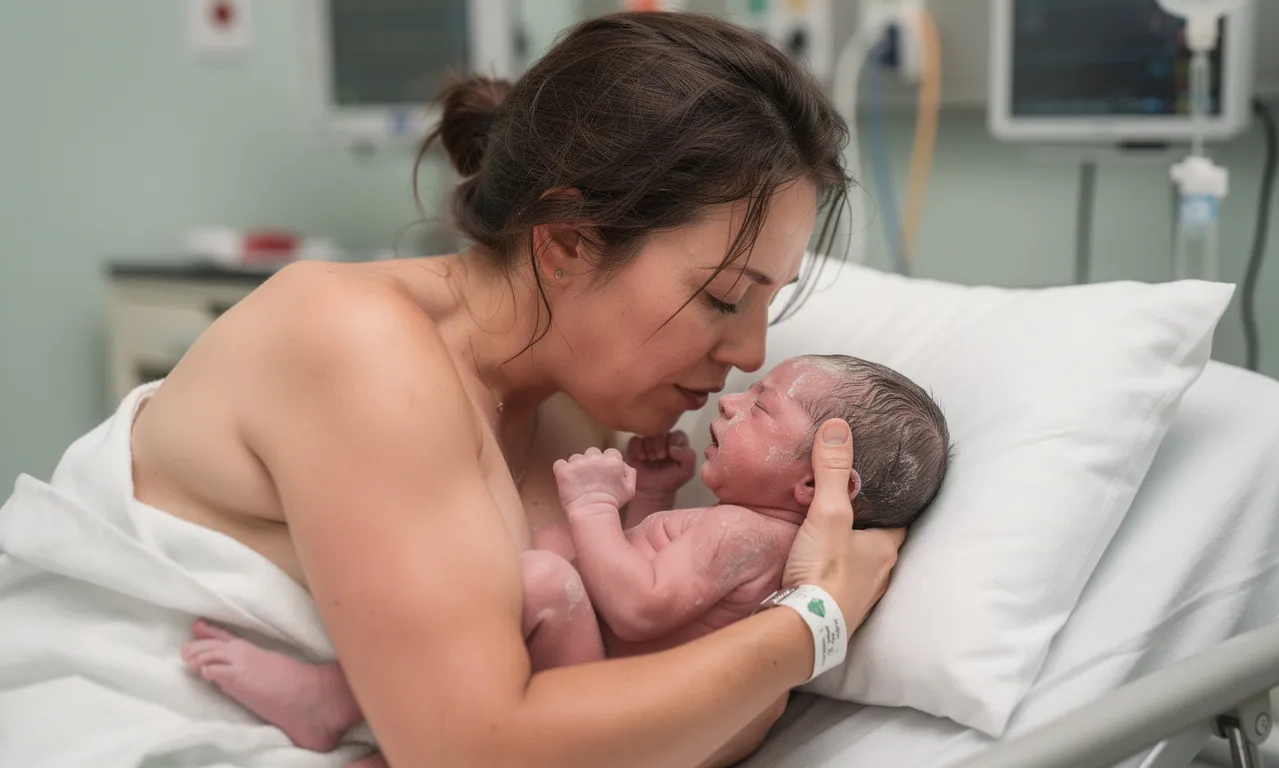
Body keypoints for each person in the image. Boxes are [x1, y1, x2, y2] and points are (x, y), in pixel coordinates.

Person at [0, 11, 907, 768]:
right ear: (566, 238)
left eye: (768, 305)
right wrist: (813, 620)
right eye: (722, 297)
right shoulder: (359, 350)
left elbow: (651, 721)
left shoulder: (581, 419)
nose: (748, 353)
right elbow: (477, 749)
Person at [177, 355, 951, 764]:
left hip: (605, 718)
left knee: (548, 569)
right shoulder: (740, 532)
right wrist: (649, 496)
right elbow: (658, 591)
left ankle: (338, 700)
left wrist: (590, 508)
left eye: (763, 407)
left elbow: (639, 606)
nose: (730, 402)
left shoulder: (747, 536)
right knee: (552, 560)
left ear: (817, 481)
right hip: (609, 695)